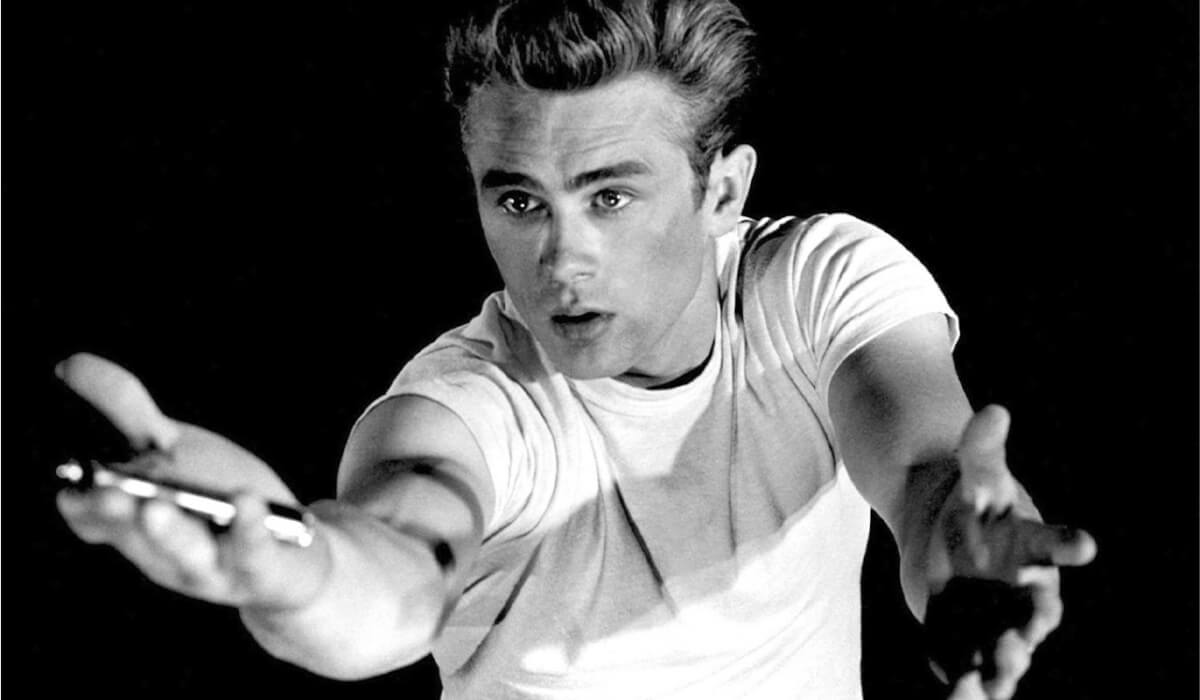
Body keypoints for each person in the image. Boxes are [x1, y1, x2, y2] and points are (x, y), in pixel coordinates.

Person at [55, 1, 1097, 698]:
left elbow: (920, 471)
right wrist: (292, 571)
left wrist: (961, 560)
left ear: (723, 191)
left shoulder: (816, 284)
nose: (561, 260)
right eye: (520, 201)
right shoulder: (463, 408)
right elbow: (390, 582)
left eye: (609, 197)